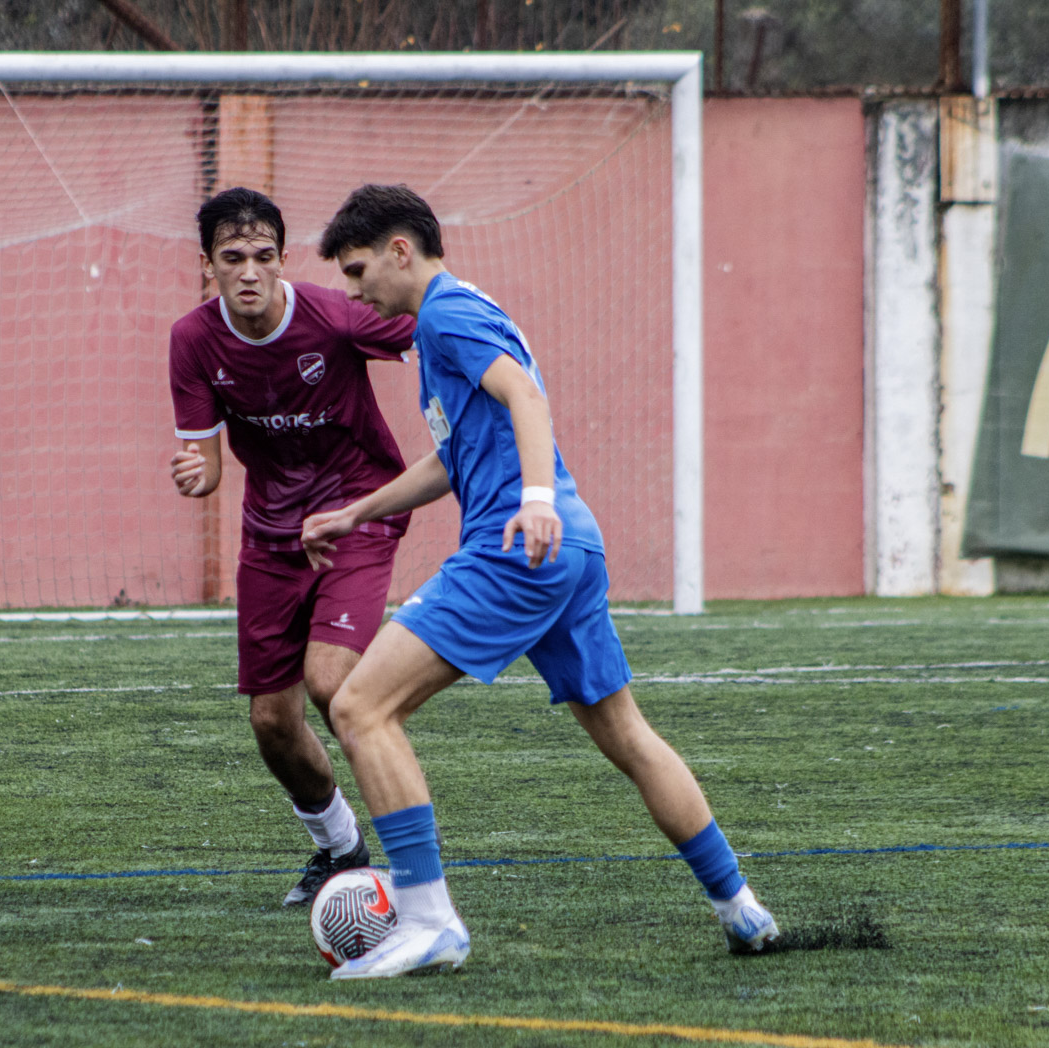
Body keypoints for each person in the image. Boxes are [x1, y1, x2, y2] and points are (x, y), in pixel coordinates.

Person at [304, 184, 778, 978]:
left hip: (518, 548)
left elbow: (524, 396)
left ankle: (428, 920)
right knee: (628, 735)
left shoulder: (444, 315)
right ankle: (741, 907)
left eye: (357, 272)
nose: (354, 292)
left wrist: (532, 501)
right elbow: (452, 459)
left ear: (399, 251)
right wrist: (358, 513)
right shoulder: (454, 321)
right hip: (568, 548)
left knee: (359, 704)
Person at [168, 187, 416, 906]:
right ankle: (341, 850)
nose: (249, 272)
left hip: (357, 512)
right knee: (272, 723)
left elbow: (427, 321)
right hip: (272, 534)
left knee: (335, 684)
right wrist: (193, 475)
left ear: (282, 260)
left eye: (264, 257)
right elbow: (209, 466)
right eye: (232, 258)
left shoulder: (333, 316)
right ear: (206, 265)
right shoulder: (192, 340)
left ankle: (412, 867)